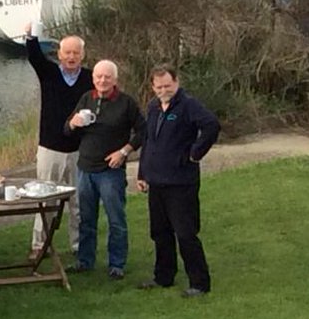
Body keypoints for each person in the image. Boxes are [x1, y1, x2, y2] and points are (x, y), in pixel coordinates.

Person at [135, 66, 221, 298]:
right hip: (156, 180)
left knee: (185, 232)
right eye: (159, 87)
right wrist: (142, 173)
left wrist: (195, 153)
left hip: (181, 182)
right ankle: (163, 276)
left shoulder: (188, 105)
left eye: (168, 86)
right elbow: (148, 142)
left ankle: (200, 282)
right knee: (160, 232)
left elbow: (212, 125)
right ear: (153, 87)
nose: (164, 90)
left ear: (176, 83)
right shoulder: (153, 107)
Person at [65, 60, 144, 280]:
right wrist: (74, 123)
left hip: (111, 171)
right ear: (93, 79)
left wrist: (124, 151)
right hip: (85, 169)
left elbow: (142, 131)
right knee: (86, 219)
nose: (102, 80)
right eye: (99, 76)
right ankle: (85, 260)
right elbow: (67, 129)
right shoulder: (86, 99)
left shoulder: (126, 103)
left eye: (107, 77)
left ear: (115, 80)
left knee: (116, 219)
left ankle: (116, 263)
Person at [24, 23, 93, 255]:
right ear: (59, 54)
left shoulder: (90, 78)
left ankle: (79, 247)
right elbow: (34, 56)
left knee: (78, 203)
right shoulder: (49, 73)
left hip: (79, 149)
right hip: (50, 148)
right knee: (46, 199)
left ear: (82, 55)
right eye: (67, 52)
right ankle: (39, 245)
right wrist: (31, 35)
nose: (71, 57)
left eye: (76, 53)